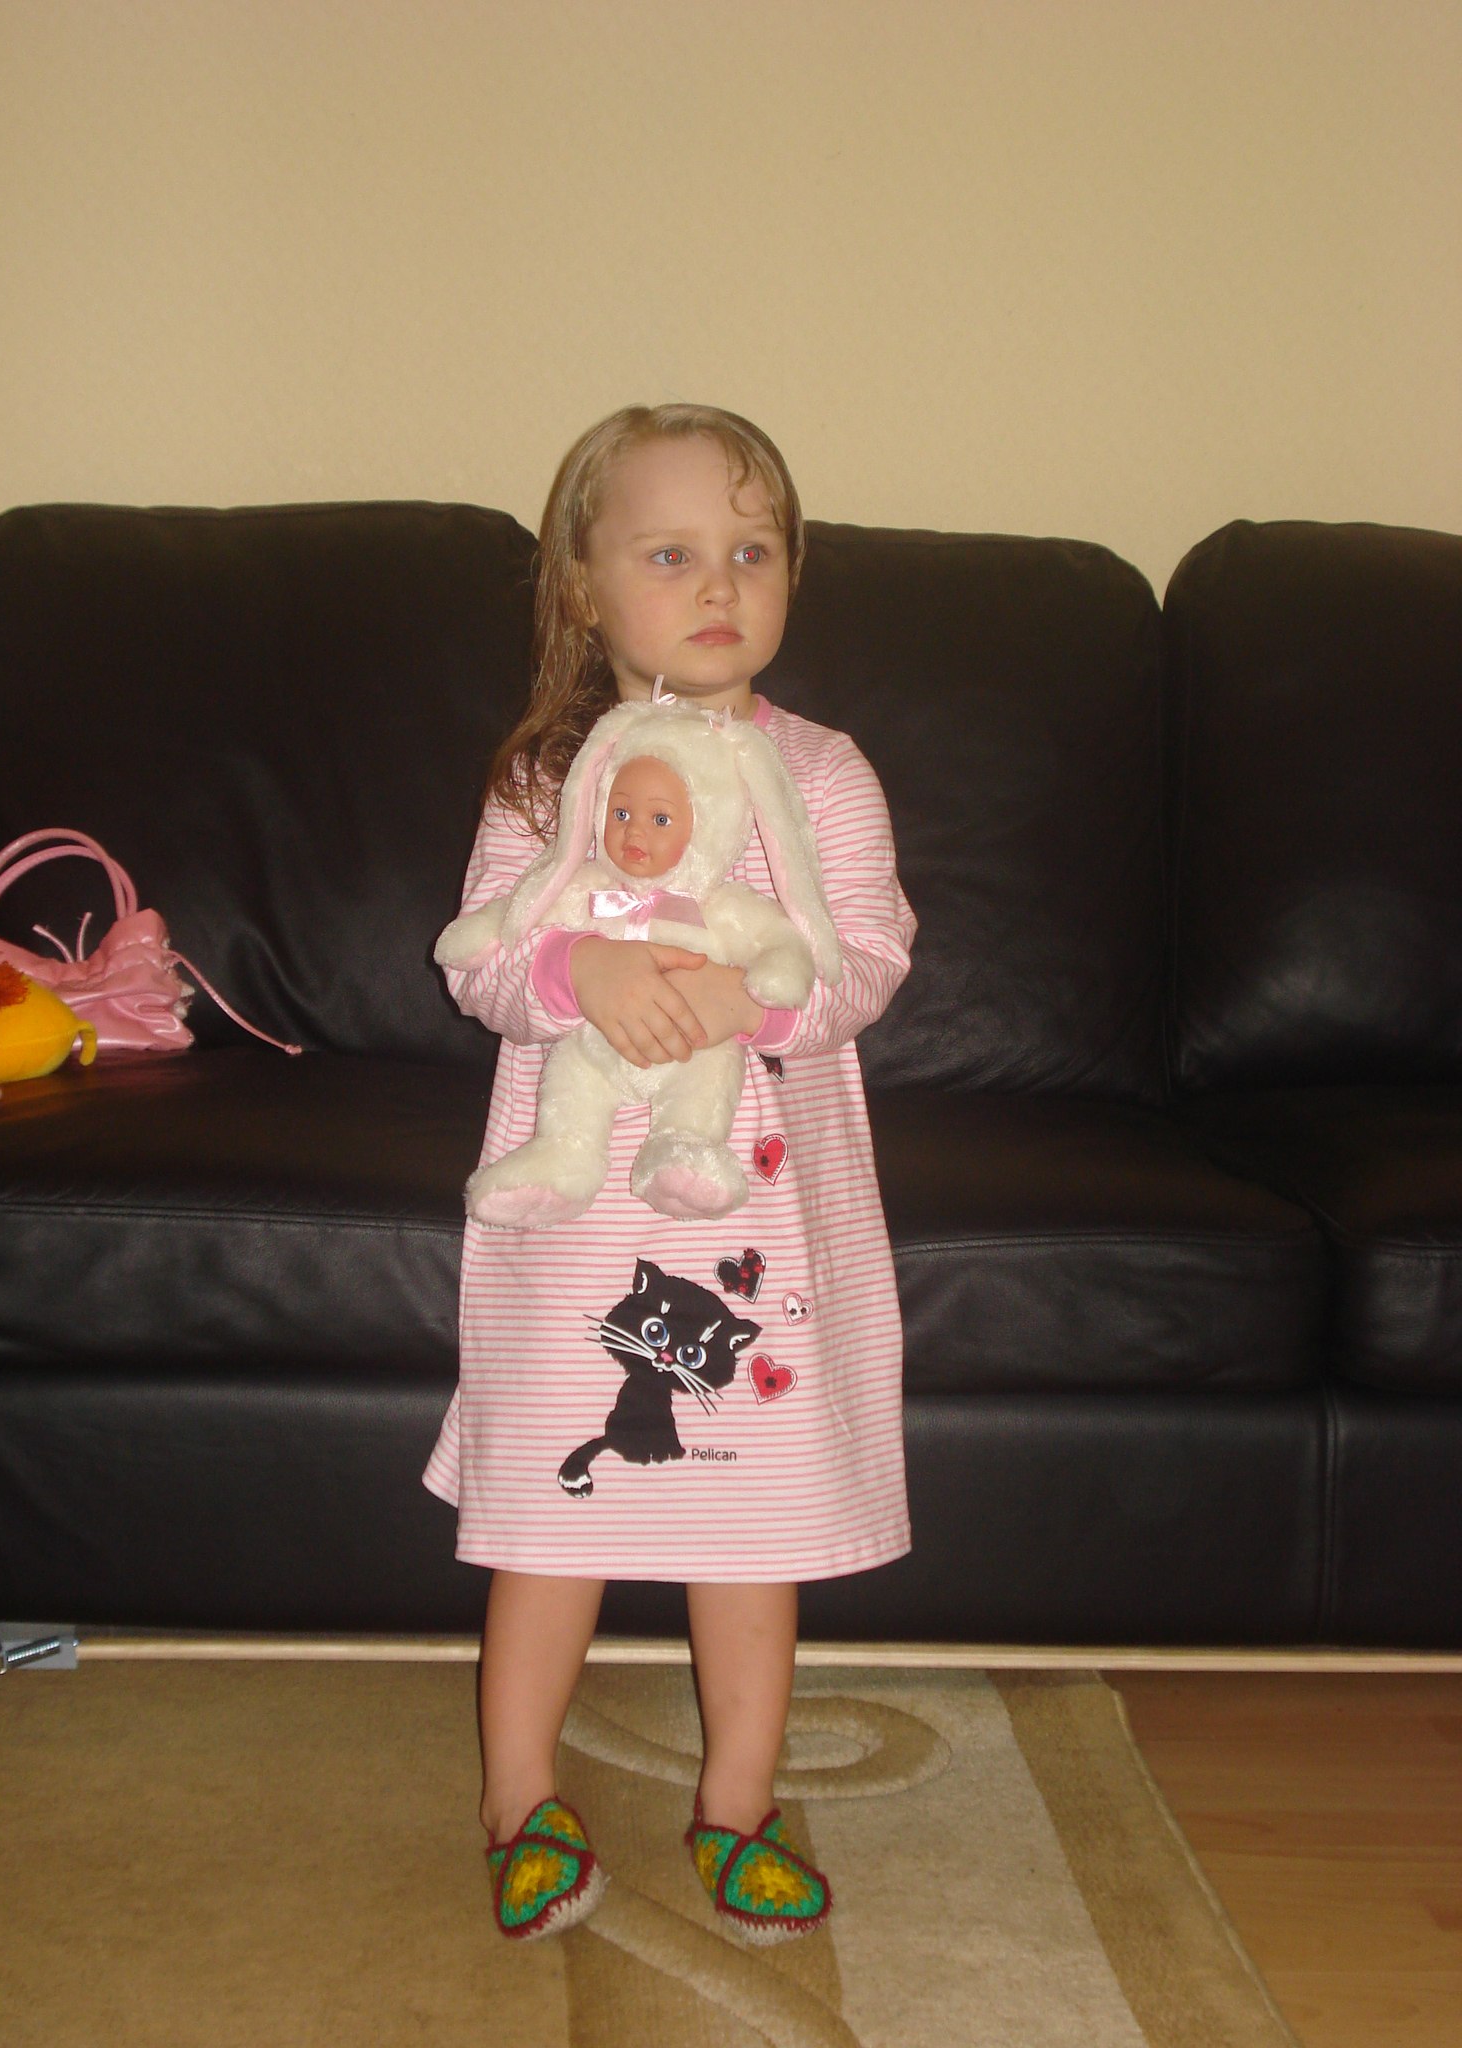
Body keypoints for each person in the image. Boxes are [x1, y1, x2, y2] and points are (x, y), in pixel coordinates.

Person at [424, 402, 915, 1944]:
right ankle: (519, 1796)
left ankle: (739, 1803)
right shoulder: (547, 782)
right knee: (547, 1517)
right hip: (577, 1221)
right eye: (671, 554)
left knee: (751, 1529)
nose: (719, 584)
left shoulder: (822, 773)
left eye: (753, 553)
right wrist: (575, 968)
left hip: (757, 1215)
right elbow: (482, 966)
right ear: (583, 589)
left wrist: (746, 1002)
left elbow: (868, 959)